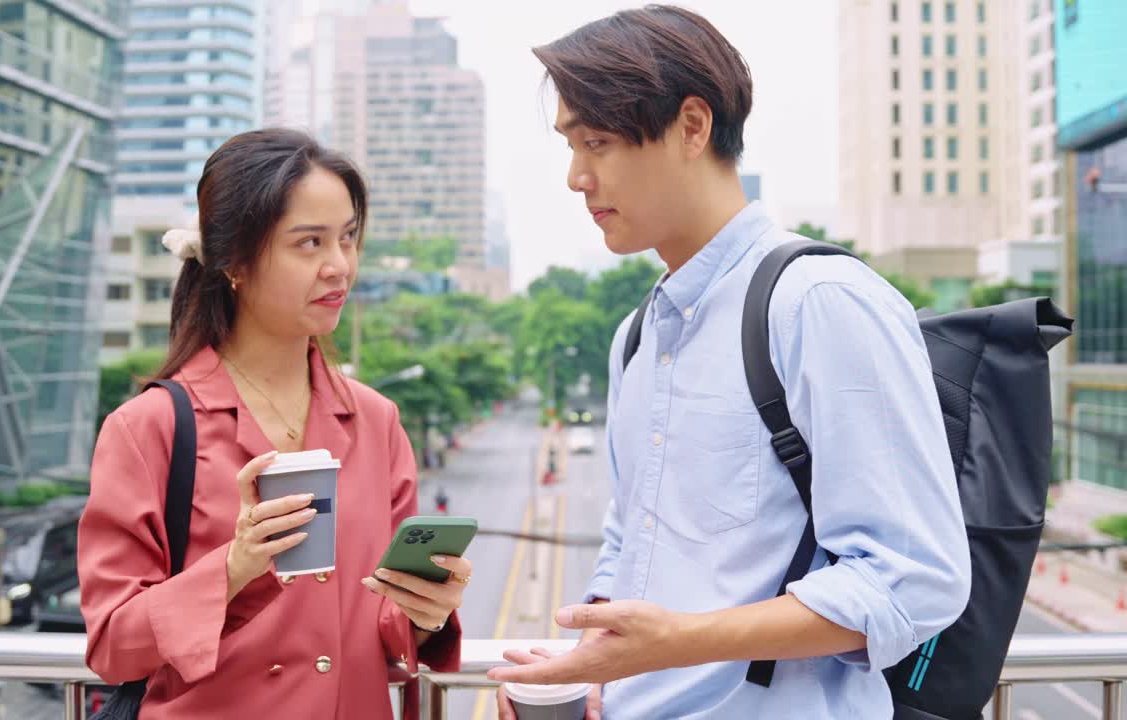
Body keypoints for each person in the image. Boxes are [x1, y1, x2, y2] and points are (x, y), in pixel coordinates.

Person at [493, 6, 970, 719]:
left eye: (596, 141)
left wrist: (678, 643)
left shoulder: (819, 302)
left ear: (692, 126)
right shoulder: (637, 334)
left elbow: (913, 581)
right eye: (569, 146)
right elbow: (635, 538)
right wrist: (591, 670)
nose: (574, 177)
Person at [78, 128, 470, 720]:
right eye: (308, 243)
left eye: (347, 238)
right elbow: (112, 644)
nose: (339, 266)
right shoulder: (149, 427)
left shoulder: (376, 420)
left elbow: (385, 627)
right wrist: (233, 569)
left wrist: (425, 607)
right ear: (234, 261)